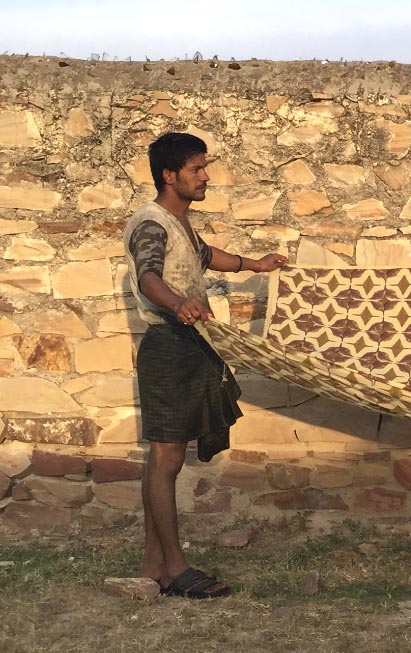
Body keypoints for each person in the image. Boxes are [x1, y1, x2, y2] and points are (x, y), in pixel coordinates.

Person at [124, 131, 288, 598]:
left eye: (204, 167)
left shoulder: (178, 224)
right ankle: (174, 568)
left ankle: (154, 564)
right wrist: (178, 305)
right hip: (169, 344)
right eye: (196, 169)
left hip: (187, 343)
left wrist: (254, 264)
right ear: (169, 175)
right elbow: (148, 275)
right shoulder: (150, 223)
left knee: (168, 458)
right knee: (166, 456)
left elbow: (202, 256)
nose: (205, 176)